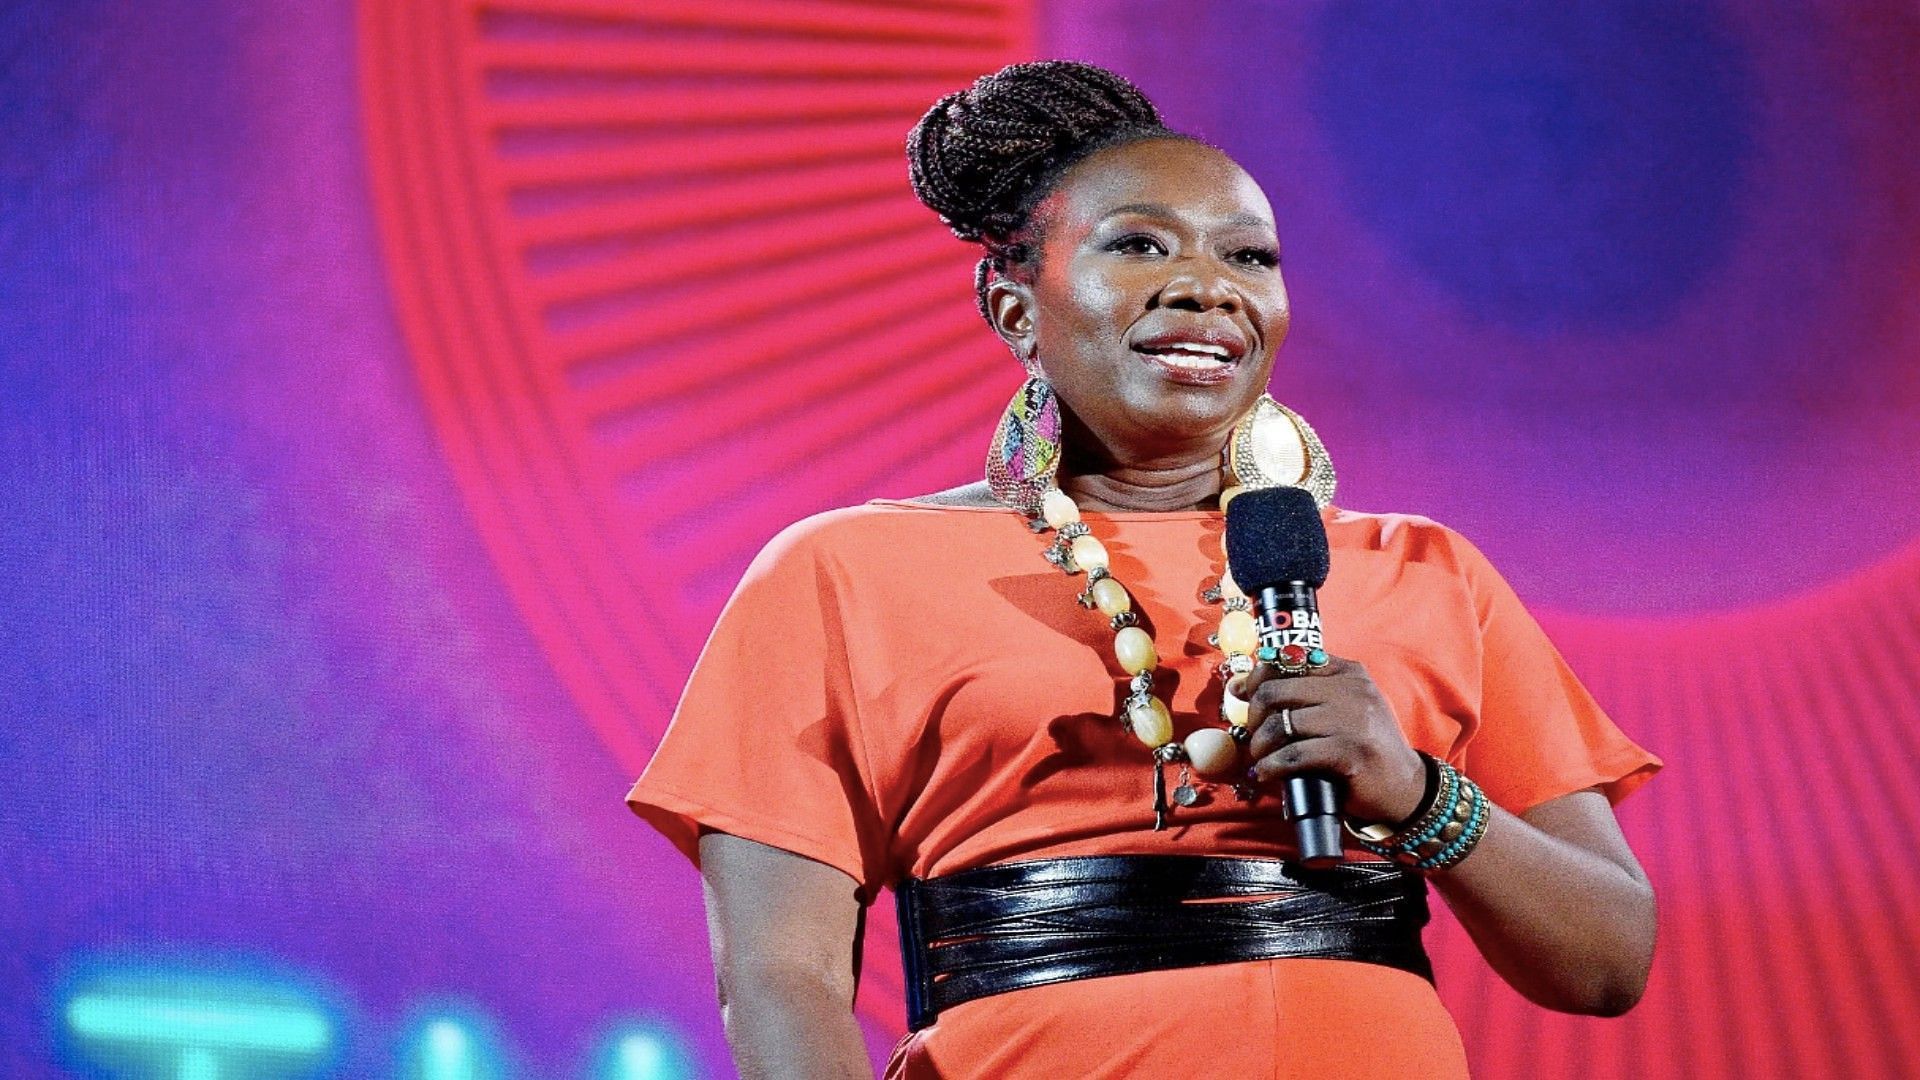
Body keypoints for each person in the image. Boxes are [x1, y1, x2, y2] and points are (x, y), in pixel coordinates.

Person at [626, 60, 1660, 1079]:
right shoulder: (844, 570)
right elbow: (779, 979)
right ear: (1014, 309)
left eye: (1249, 256)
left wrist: (1418, 791)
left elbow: (1607, 960)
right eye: (1138, 244)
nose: (1207, 286)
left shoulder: (1425, 570)